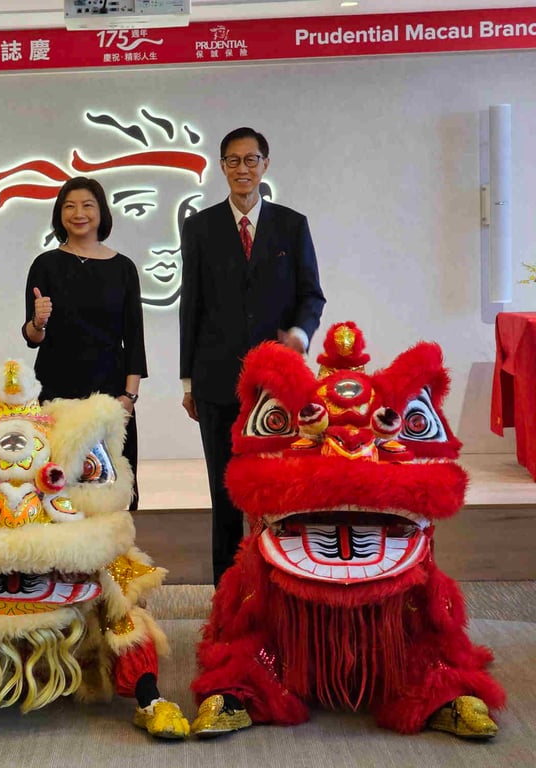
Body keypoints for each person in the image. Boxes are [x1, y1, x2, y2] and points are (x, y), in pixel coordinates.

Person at [179, 127, 325, 586]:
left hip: (278, 380)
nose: (242, 168)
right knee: (224, 490)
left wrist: (300, 333)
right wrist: (188, 381)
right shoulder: (200, 227)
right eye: (233, 160)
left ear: (265, 164)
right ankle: (227, 588)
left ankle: (281, 581)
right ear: (221, 167)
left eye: (251, 159)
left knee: (277, 487)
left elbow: (311, 295)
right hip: (217, 377)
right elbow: (192, 306)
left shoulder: (291, 224)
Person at [23, 176, 147, 510]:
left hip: (108, 391)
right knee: (57, 484)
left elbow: (134, 338)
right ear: (59, 214)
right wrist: (38, 321)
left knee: (111, 483)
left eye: (87, 205)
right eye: (70, 206)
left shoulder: (123, 268)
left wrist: (129, 396)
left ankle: (114, 559)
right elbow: (33, 337)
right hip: (55, 390)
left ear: (101, 213)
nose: (79, 213)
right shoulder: (45, 265)